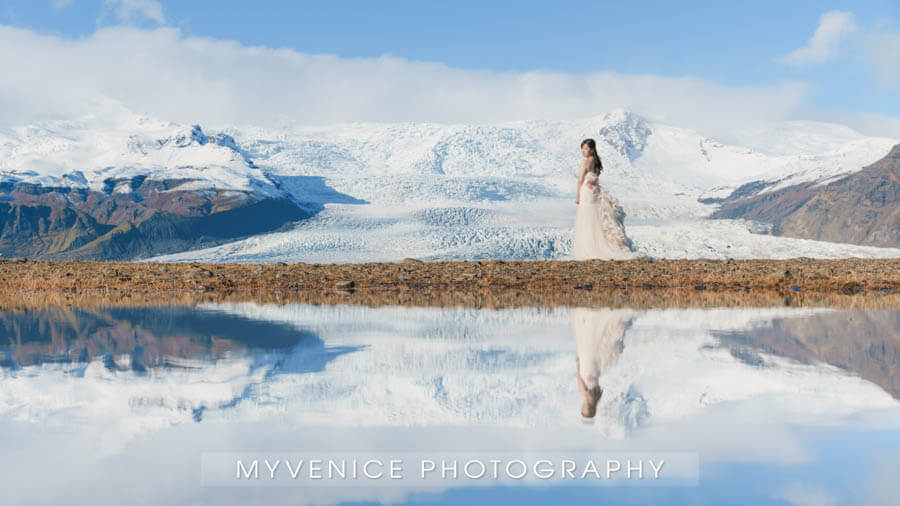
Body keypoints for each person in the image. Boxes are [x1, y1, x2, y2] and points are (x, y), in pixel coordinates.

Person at [572, 139, 636, 260]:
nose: (583, 151)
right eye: (582, 148)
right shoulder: (596, 161)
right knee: (595, 218)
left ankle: (588, 248)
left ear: (591, 149)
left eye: (585, 148)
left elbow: (580, 180)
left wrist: (578, 196)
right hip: (594, 192)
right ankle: (596, 246)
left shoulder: (585, 162)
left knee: (586, 218)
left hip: (586, 191)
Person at [572, 307, 634, 420]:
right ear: (587, 410)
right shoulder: (585, 394)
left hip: (595, 370)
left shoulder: (597, 396)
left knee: (593, 342)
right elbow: (579, 378)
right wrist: (578, 365)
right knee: (588, 342)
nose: (581, 409)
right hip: (587, 370)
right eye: (583, 411)